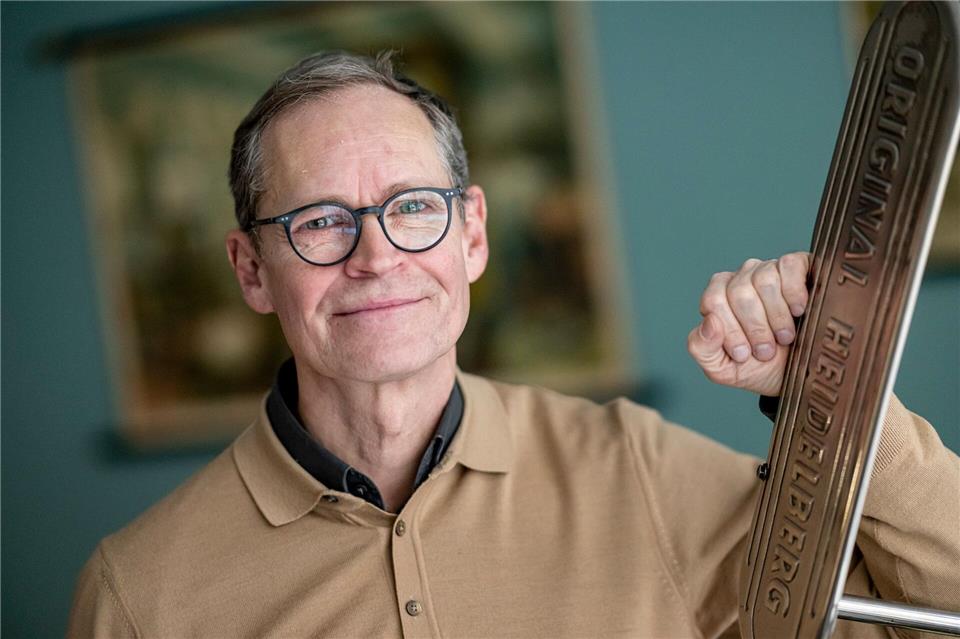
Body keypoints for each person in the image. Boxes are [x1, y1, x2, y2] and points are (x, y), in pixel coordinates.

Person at [67, 50, 958, 638]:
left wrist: (836, 399)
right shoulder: (139, 594)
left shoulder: (636, 471)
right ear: (251, 270)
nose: (377, 258)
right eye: (321, 221)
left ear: (473, 235)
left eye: (414, 208)